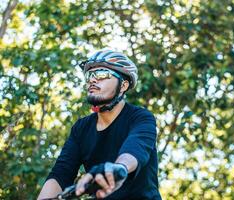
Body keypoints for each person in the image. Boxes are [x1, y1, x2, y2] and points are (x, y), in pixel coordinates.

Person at [37, 49, 162, 200]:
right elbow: (61, 173)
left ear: (123, 86)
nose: (92, 80)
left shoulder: (140, 117)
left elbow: (135, 150)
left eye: (102, 74)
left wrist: (119, 169)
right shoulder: (81, 128)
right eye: (90, 75)